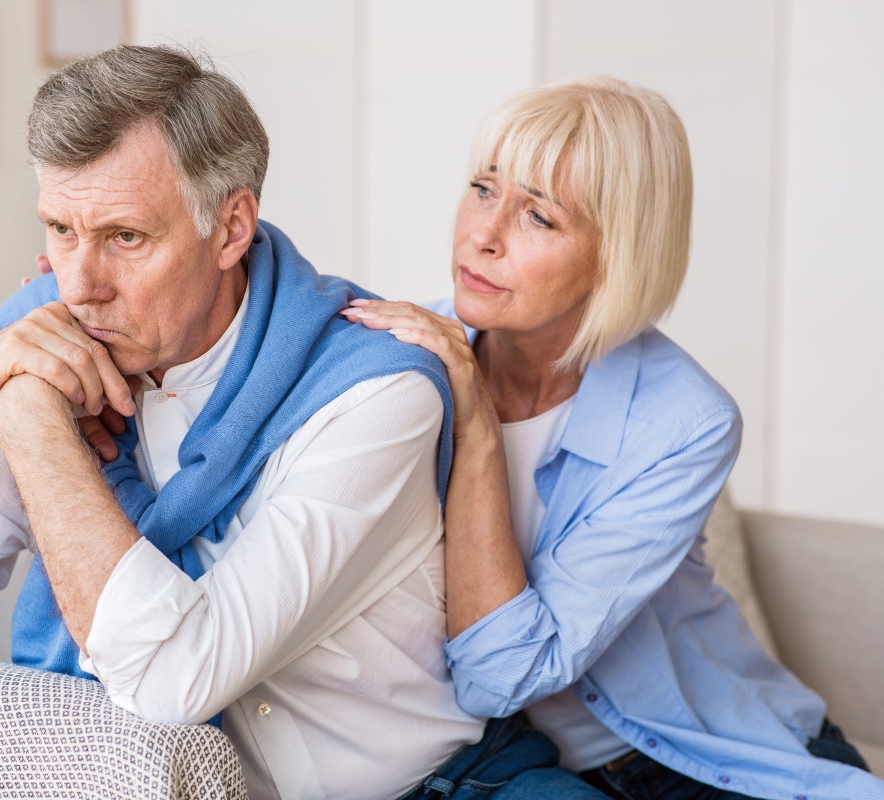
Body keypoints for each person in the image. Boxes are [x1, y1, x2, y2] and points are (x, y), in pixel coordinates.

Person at [0, 46, 608, 800]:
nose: (80, 284)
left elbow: (174, 678)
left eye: (126, 237)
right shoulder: (48, 346)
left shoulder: (375, 393)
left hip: (443, 785)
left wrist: (26, 416)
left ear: (231, 228)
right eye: (60, 230)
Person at [341, 76, 884, 800]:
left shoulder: (685, 422)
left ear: (617, 254)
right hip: (517, 766)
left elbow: (503, 674)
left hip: (709, 758)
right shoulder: (403, 360)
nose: (484, 235)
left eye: (538, 216)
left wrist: (477, 426)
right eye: (482, 188)